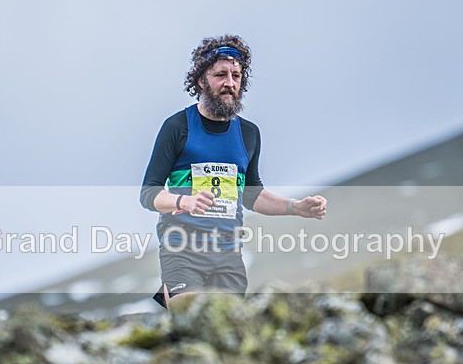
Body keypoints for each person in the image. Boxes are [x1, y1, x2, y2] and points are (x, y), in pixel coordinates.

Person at [140, 34, 326, 308]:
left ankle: (169, 296)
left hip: (228, 253)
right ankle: (174, 292)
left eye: (236, 76)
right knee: (190, 316)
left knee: (226, 323)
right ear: (201, 80)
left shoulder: (249, 133)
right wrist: (184, 201)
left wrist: (295, 207)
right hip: (182, 248)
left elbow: (251, 195)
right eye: (220, 75)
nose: (229, 82)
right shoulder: (178, 127)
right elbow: (149, 193)